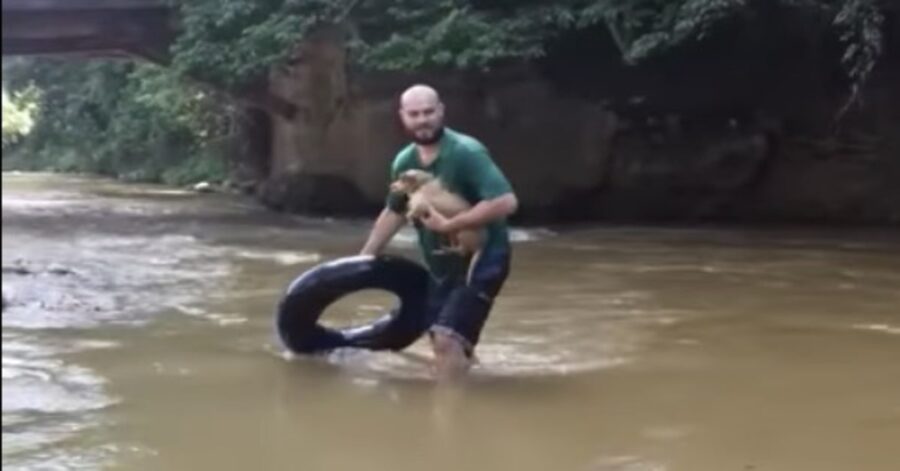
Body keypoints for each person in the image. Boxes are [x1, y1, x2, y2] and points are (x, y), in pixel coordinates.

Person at [360, 84, 518, 379]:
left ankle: (445, 418)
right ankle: (468, 392)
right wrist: (365, 257)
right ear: (403, 117)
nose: (423, 120)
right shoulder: (404, 162)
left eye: (429, 112)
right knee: (444, 340)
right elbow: (394, 212)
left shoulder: (466, 152)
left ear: (441, 111)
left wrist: (450, 225)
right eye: (415, 114)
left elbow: (506, 202)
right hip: (441, 264)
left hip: (485, 255)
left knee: (446, 338)